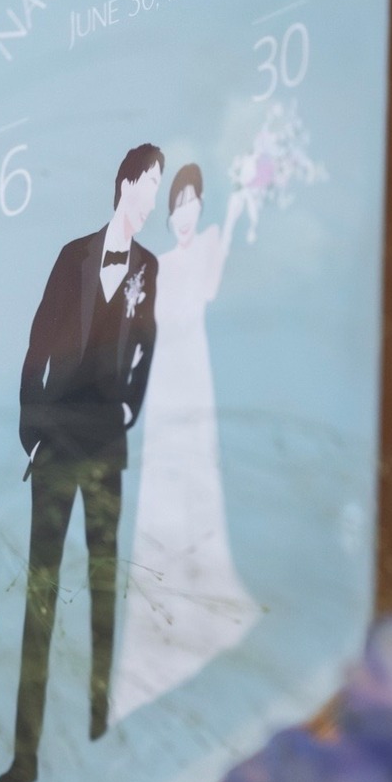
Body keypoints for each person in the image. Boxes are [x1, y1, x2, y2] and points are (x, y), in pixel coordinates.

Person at [0, 144, 163, 782]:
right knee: (41, 595)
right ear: (124, 184)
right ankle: (25, 757)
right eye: (148, 186)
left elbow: (147, 341)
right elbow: (39, 339)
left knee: (103, 586)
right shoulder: (73, 257)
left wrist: (128, 406)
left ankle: (98, 725)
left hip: (107, 446)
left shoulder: (148, 267)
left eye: (158, 190)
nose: (152, 200)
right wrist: (32, 428)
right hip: (58, 443)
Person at [110, 163, 263, 723]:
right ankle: (164, 611)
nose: (182, 214)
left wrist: (239, 210)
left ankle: (204, 587)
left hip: (196, 372)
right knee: (166, 481)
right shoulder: (158, 265)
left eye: (190, 203)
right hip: (167, 381)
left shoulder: (202, 250)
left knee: (200, 471)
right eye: (176, 206)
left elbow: (212, 287)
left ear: (200, 207)